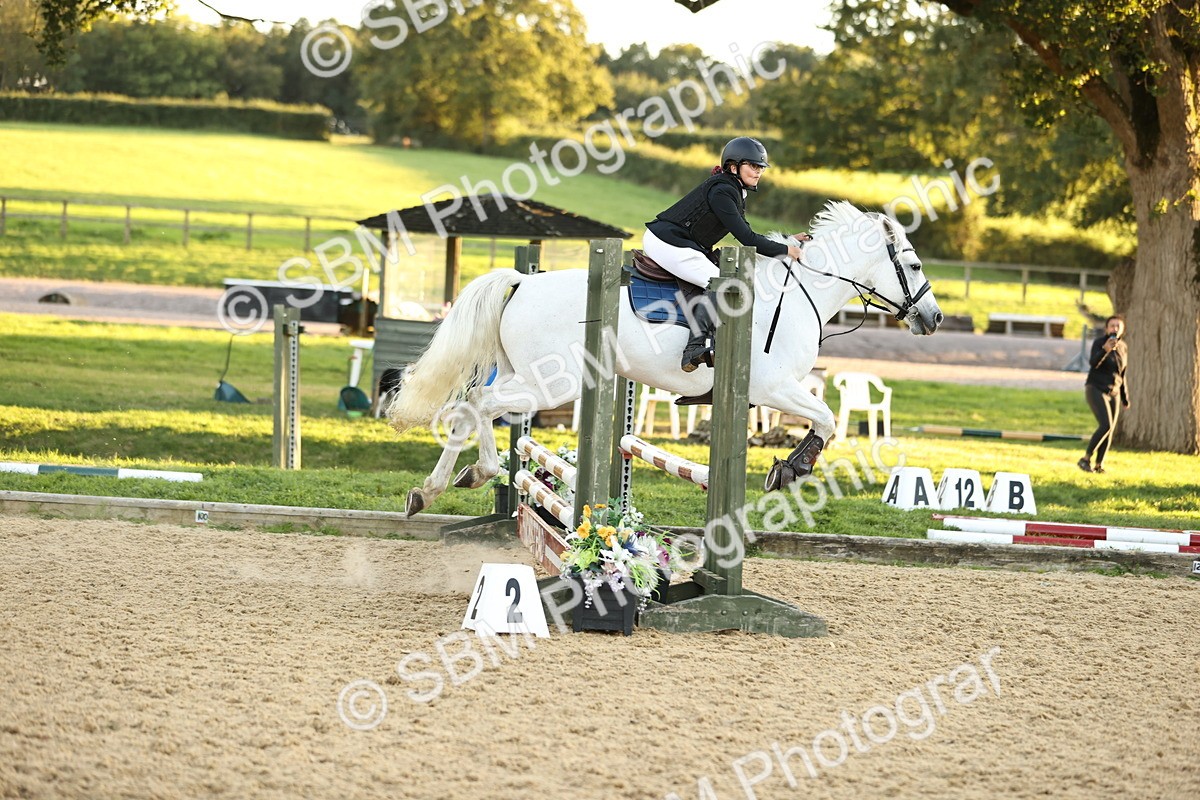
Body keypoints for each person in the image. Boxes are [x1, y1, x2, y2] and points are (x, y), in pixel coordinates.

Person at [644, 136, 808, 372]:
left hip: (679, 242)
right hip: (668, 243)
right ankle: (693, 348)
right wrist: (786, 251)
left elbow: (749, 232)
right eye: (753, 165)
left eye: (760, 167)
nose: (758, 171)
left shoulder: (735, 190)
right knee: (722, 284)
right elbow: (747, 239)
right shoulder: (722, 191)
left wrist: (788, 240)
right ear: (734, 167)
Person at [1078, 314, 1130, 474]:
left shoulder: (1123, 347)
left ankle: (1098, 465)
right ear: (1107, 329)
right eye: (1112, 325)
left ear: (1122, 329)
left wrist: (1124, 397)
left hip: (1113, 391)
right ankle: (1085, 459)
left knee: (1110, 429)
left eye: (1118, 326)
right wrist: (1105, 350)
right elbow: (1093, 363)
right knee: (1105, 424)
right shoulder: (1100, 343)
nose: (1115, 328)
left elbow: (1123, 373)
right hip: (1096, 388)